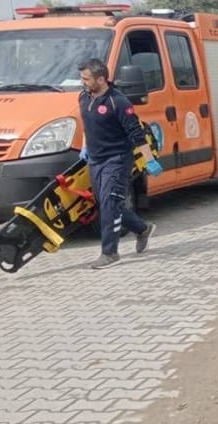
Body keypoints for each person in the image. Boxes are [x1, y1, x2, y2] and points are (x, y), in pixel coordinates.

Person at [77, 58, 162, 270]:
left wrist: (149, 160)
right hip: (95, 160)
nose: (83, 82)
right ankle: (142, 229)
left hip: (116, 160)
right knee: (106, 204)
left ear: (101, 79)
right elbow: (88, 126)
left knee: (109, 204)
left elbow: (137, 134)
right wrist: (84, 146)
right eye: (82, 78)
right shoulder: (83, 97)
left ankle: (110, 253)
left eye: (86, 79)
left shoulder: (119, 102)